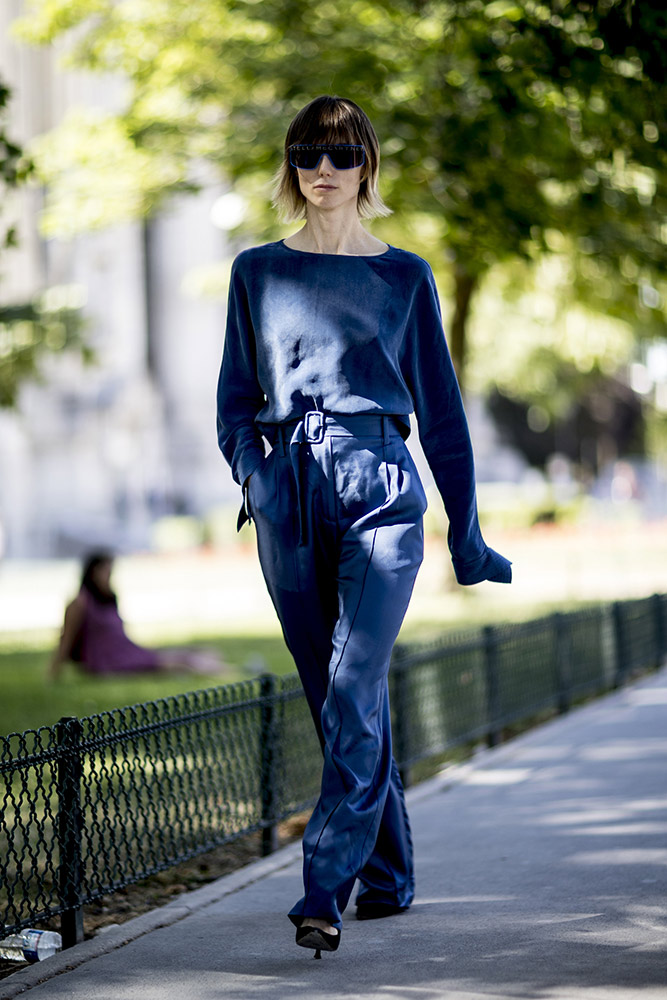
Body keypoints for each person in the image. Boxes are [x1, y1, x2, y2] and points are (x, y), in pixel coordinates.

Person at [216, 95, 511, 958]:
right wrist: (259, 477)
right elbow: (235, 403)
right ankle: (388, 875)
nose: (322, 170)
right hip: (289, 496)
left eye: (340, 156)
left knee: (353, 686)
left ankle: (323, 887)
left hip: (382, 485)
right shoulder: (255, 273)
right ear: (290, 167)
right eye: (307, 154)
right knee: (335, 698)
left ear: (365, 169)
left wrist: (465, 531)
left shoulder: (405, 277)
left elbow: (445, 419)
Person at [48, 551, 225, 680]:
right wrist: (53, 674)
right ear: (93, 573)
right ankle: (227, 673)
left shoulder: (107, 599)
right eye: (106, 573)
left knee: (193, 652)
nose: (109, 579)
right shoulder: (80, 603)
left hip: (127, 652)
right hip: (110, 663)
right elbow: (67, 639)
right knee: (182, 662)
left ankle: (224, 668)